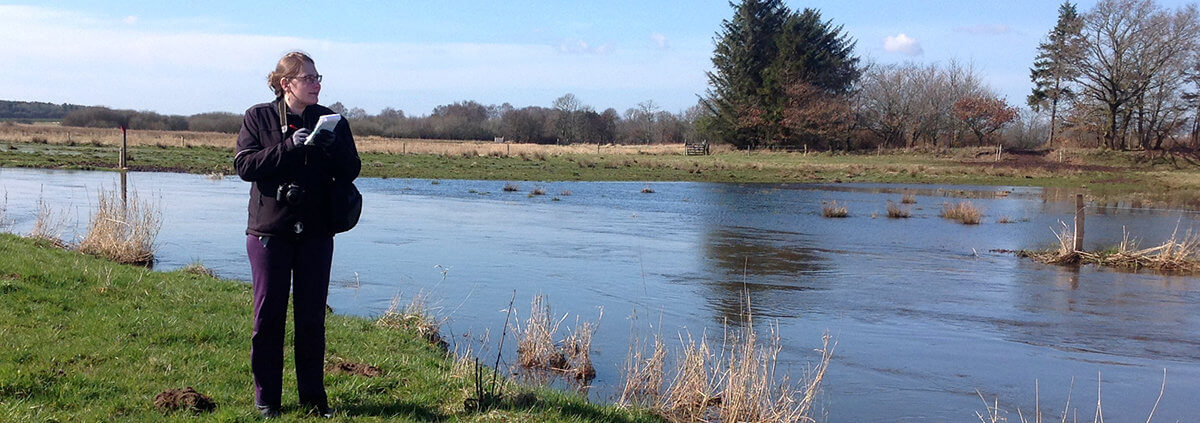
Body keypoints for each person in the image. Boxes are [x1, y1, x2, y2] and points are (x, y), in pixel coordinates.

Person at [234, 51, 361, 419]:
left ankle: (313, 401)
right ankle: (267, 400)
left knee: (311, 320)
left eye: (318, 77)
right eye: (308, 78)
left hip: (317, 232)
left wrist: (331, 144)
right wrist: (289, 147)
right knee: (268, 319)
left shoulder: (332, 122)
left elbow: (352, 169)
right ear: (286, 83)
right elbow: (244, 165)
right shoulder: (258, 117)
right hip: (269, 231)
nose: (317, 83)